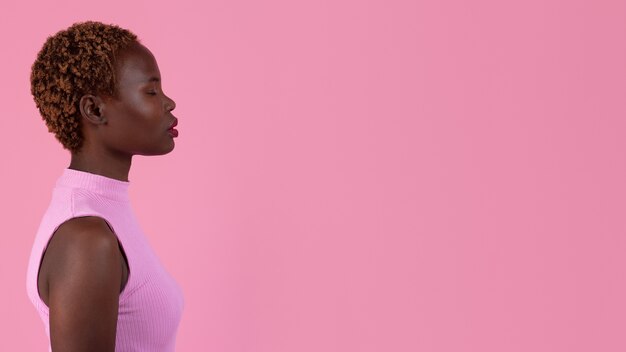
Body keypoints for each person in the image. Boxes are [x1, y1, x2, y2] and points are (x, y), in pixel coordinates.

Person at [25, 21, 184, 351]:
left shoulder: (102, 208)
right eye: (151, 91)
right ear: (94, 109)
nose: (169, 103)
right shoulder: (85, 239)